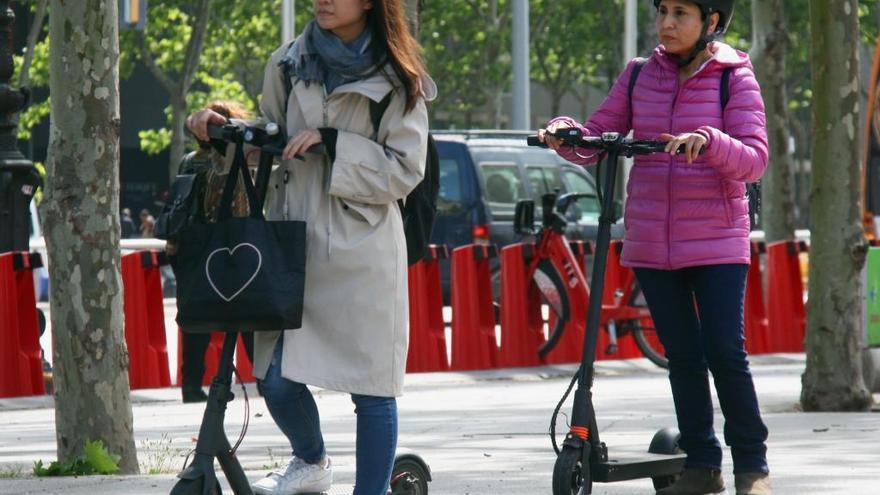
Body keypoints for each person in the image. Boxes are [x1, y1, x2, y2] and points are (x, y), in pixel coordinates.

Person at [186, 0, 435, 492]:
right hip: (291, 241)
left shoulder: (399, 79)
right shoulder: (287, 62)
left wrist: (334, 142)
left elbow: (406, 170)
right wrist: (218, 128)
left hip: (363, 249)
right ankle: (311, 461)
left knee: (372, 388)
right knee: (276, 377)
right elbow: (270, 138)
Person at [539, 1, 769, 494]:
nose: (666, 23)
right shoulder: (640, 73)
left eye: (680, 13)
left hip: (716, 242)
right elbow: (599, 136)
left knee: (725, 351)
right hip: (651, 239)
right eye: (663, 10)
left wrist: (708, 140)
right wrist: (565, 134)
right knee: (682, 356)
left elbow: (754, 160)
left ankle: (752, 468)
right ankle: (703, 466)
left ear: (711, 22)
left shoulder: (734, 76)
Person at [174, 100, 257, 403]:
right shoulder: (247, 160)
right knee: (249, 315)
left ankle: (192, 385)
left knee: (199, 317)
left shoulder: (190, 161)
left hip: (199, 245)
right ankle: (264, 377)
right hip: (241, 242)